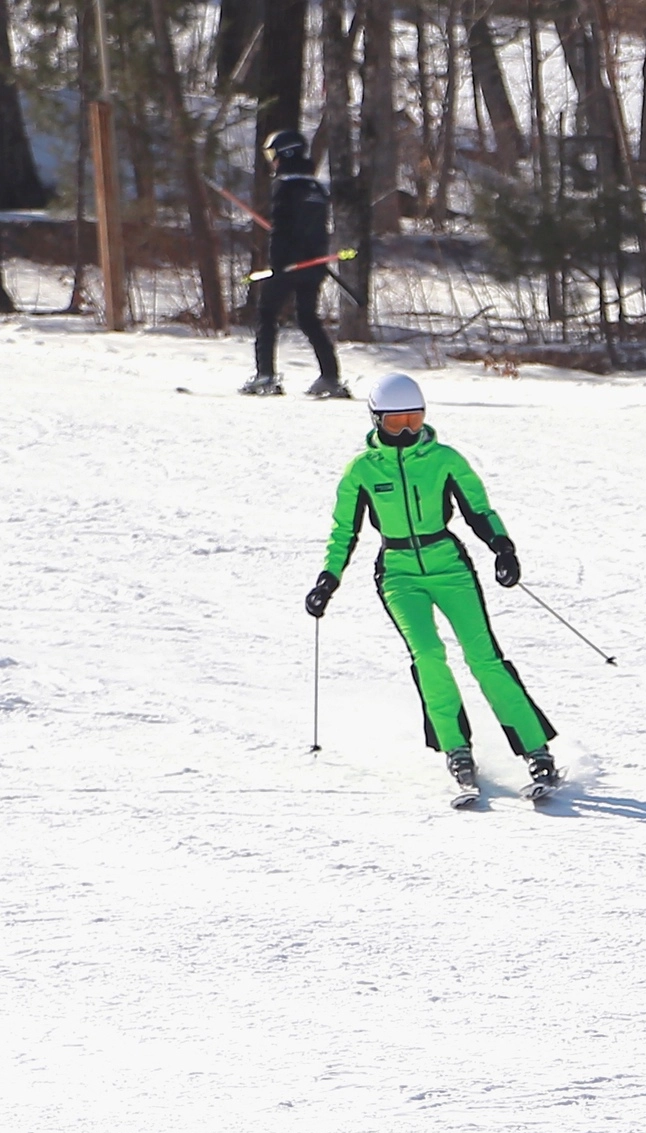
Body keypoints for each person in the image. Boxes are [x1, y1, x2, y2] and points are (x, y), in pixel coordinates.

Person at [304, 372, 562, 799]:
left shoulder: (445, 459)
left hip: (449, 565)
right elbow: (343, 532)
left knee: (485, 659)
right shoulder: (362, 471)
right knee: (428, 656)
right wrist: (326, 581)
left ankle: (536, 750)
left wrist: (503, 549)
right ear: (376, 421)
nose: (406, 430)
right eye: (395, 422)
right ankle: (456, 749)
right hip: (398, 573)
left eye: (414, 419)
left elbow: (478, 509)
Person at [242, 129, 346, 399]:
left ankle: (265, 376)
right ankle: (330, 376)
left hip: (288, 264)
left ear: (284, 154)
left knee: (266, 313)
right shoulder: (317, 187)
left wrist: (277, 264)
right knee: (307, 317)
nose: (272, 161)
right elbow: (318, 229)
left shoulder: (285, 185)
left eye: (272, 155)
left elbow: (281, 229)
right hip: (313, 264)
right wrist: (316, 261)